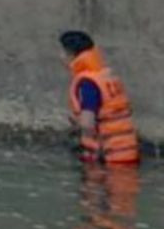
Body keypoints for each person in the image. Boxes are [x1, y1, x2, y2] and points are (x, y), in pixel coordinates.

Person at [60, 30, 139, 166]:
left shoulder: (87, 83)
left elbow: (87, 123)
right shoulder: (105, 77)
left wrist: (76, 125)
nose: (60, 56)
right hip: (127, 151)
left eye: (62, 52)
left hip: (106, 155)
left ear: (71, 54)